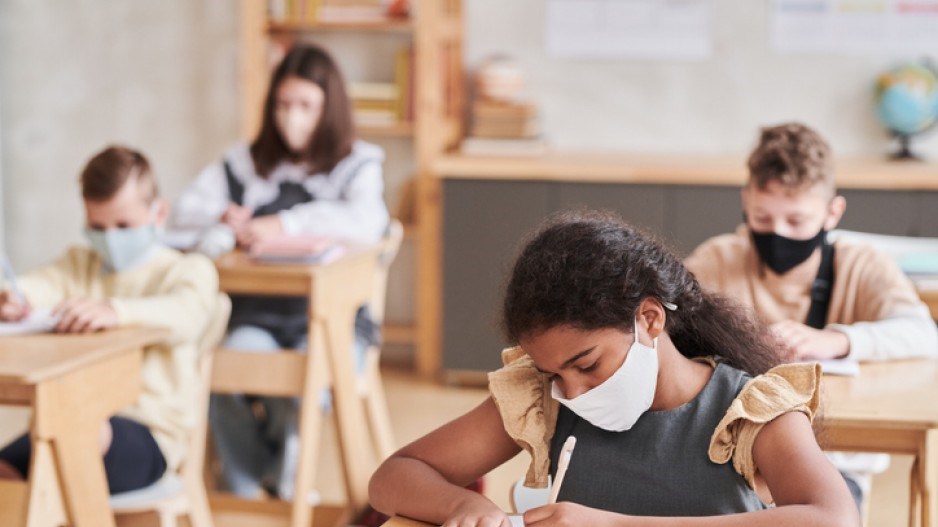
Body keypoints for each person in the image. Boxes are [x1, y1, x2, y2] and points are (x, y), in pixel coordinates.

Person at [369, 210, 859, 526]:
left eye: (587, 364)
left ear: (648, 319)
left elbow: (835, 519)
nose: (573, 391)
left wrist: (614, 525)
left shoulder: (749, 410)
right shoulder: (544, 400)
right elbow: (394, 476)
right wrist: (463, 504)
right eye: (555, 373)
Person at [172, 43, 389, 500]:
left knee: (305, 381)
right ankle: (250, 487)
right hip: (258, 316)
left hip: (335, 322)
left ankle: (287, 481)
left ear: (329, 108)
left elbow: (367, 223)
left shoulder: (359, 165)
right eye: (283, 104)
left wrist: (284, 223)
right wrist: (222, 216)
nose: (292, 116)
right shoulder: (244, 163)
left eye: (306, 105)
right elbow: (180, 216)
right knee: (223, 371)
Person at [684, 122, 938, 507]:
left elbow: (924, 335)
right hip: (731, 463)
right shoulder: (717, 259)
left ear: (832, 212)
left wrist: (839, 340)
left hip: (837, 464)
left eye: (797, 221)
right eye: (763, 219)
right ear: (746, 201)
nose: (779, 233)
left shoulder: (862, 264)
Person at [0, 145, 218, 493]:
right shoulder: (80, 264)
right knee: (9, 473)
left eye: (124, 225)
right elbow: (42, 284)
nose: (111, 238)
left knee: (69, 447)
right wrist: (15, 298)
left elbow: (188, 313)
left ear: (159, 212)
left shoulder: (187, 271)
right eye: (97, 226)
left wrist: (117, 311)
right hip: (69, 419)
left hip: (148, 433)